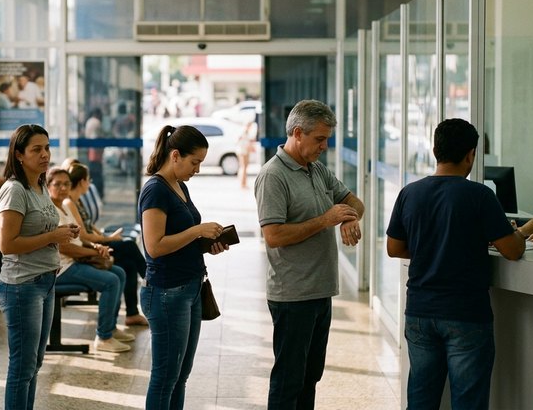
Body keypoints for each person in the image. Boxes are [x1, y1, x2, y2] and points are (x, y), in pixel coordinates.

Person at [386, 118, 525, 409]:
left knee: (420, 399)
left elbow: (394, 248)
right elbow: (512, 251)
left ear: (435, 150)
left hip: (420, 312)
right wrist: (516, 233)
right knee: (468, 402)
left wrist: (431, 247)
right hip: (465, 313)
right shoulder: (480, 195)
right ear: (471, 154)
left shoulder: (410, 193)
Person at [254, 99, 365, 409]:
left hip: (320, 291)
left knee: (310, 377)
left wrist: (350, 218)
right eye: (320, 139)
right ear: (298, 133)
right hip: (293, 296)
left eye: (327, 139)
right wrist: (325, 220)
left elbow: (355, 202)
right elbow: (274, 236)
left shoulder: (316, 170)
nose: (324, 146)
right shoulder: (273, 176)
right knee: (289, 381)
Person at [139, 124, 229, 409]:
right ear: (175, 155)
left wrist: (206, 243)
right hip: (167, 292)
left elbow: (180, 237)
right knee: (165, 377)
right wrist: (197, 231)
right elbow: (155, 246)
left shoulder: (180, 186)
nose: (197, 169)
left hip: (190, 287)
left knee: (180, 376)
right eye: (195, 162)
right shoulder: (155, 190)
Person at [0, 124, 77, 410]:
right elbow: (7, 244)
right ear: (19, 155)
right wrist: (53, 236)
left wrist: (64, 232)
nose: (45, 155)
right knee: (22, 365)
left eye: (47, 148)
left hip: (45, 281)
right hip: (23, 285)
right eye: (36, 149)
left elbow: (43, 229)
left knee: (35, 363)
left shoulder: (40, 186)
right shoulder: (14, 190)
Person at [45, 167, 134, 353]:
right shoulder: (49, 211)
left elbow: (78, 237)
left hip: (75, 262)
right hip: (61, 268)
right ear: (48, 186)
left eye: (66, 184)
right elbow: (65, 248)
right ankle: (103, 337)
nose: (63, 188)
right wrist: (93, 253)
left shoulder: (64, 207)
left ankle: (110, 328)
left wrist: (95, 246)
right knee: (111, 281)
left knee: (119, 272)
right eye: (57, 184)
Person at [65, 163, 148, 327]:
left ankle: (132, 313)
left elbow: (90, 227)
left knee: (129, 265)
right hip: (89, 247)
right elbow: (83, 235)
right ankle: (152, 282)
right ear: (82, 181)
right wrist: (107, 239)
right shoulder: (69, 203)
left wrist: (107, 237)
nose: (89, 183)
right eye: (88, 180)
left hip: (96, 243)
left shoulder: (77, 201)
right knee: (129, 247)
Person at [84, 108, 105, 198]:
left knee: (93, 172)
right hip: (96, 152)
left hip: (91, 151)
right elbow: (98, 137)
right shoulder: (96, 122)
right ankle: (98, 193)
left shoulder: (89, 121)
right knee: (97, 173)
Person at [236, 120, 257, 189]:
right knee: (244, 167)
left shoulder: (243, 131)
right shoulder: (244, 131)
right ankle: (243, 183)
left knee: (243, 167)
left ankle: (243, 183)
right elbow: (243, 142)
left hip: (242, 150)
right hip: (243, 151)